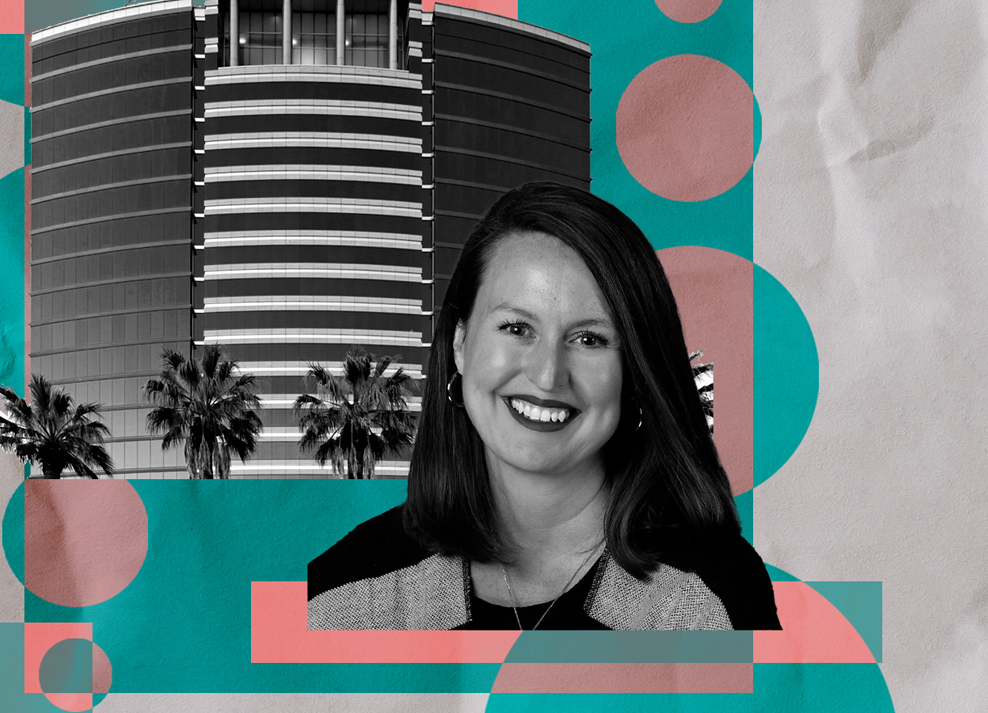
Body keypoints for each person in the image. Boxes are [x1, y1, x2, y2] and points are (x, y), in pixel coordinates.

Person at [307, 181, 780, 630]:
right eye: (516, 328)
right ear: (461, 344)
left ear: (635, 375)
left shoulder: (708, 601)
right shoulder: (343, 595)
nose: (548, 374)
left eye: (590, 339)